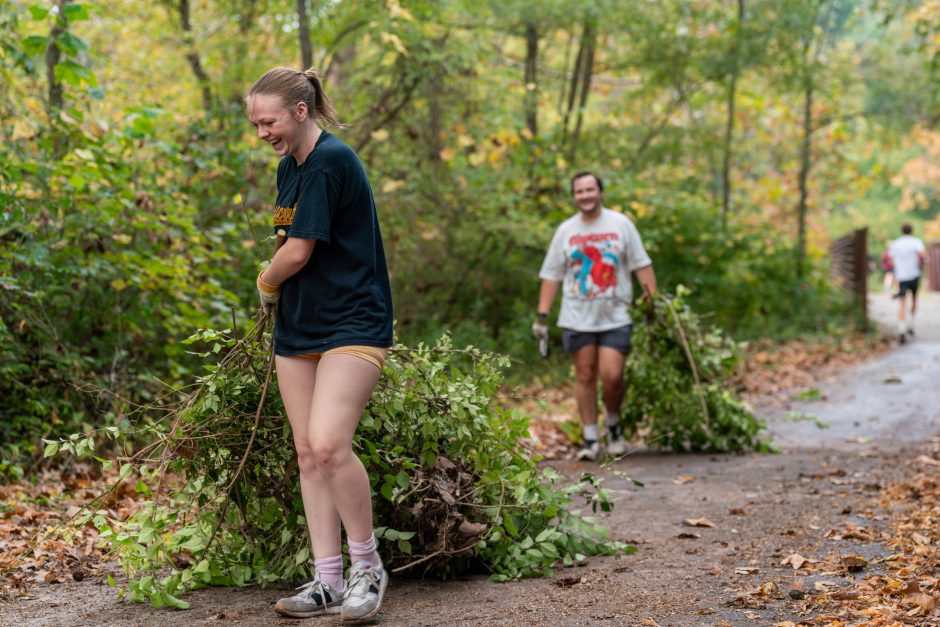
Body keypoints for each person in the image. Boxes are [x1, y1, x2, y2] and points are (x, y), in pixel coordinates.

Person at [248, 67, 393, 621]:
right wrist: (280, 289)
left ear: (301, 111)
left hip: (353, 323)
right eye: (256, 123)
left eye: (270, 120)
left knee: (330, 445)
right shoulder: (291, 167)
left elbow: (297, 250)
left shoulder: (332, 161)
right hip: (300, 329)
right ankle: (327, 580)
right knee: (308, 454)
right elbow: (288, 236)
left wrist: (265, 281)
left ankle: (367, 568)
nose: (262, 131)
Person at [532, 172, 657, 461]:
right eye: (579, 191)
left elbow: (642, 265)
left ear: (600, 192)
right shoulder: (566, 230)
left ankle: (613, 424)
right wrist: (542, 316)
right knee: (585, 374)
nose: (585, 195)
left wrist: (652, 304)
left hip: (616, 314)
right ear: (574, 196)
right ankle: (590, 438)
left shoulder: (621, 224)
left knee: (612, 376)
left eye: (590, 189)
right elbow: (551, 275)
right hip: (577, 315)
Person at [888, 223, 928, 343]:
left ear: (902, 231)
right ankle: (912, 323)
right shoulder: (916, 242)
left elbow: (890, 258)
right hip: (914, 275)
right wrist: (922, 262)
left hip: (902, 277)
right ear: (912, 231)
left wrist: (897, 268)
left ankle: (901, 328)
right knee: (914, 299)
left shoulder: (896, 243)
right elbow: (923, 256)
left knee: (902, 302)